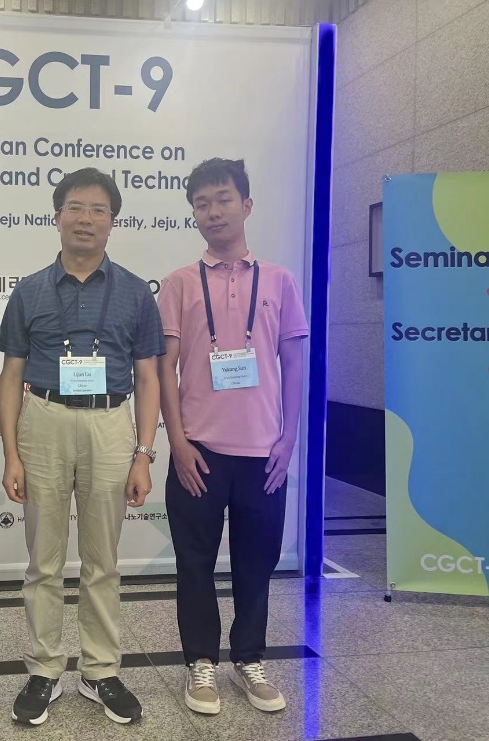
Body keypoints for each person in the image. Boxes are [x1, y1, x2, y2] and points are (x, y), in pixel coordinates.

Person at [0, 168, 165, 727]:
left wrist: (144, 452)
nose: (85, 219)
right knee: (43, 561)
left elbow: (149, 378)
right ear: (57, 216)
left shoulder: (136, 292)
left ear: (112, 222)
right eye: (75, 207)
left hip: (110, 424)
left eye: (98, 210)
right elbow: (10, 374)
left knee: (102, 562)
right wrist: (11, 454)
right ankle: (44, 669)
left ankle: (99, 670)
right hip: (42, 421)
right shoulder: (29, 291)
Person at [157, 158, 308, 716]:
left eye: (223, 199)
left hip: (263, 453)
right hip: (198, 451)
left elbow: (295, 363)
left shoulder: (279, 280)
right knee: (194, 563)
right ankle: (200, 662)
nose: (213, 211)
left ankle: (249, 659)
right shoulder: (178, 283)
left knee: (255, 564)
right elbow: (164, 369)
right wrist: (177, 441)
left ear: (246, 205)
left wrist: (288, 440)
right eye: (201, 203)